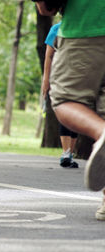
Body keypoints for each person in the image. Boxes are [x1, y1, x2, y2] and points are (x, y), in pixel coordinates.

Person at [34, 0, 105, 220]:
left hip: (85, 29)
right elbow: (48, 51)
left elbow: (47, 7)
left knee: (64, 100)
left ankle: (102, 132)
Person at [42, 22, 78, 168]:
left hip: (80, 76)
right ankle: (66, 152)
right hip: (60, 76)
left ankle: (69, 153)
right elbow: (49, 56)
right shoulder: (56, 28)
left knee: (76, 114)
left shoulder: (81, 25)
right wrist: (46, 79)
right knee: (65, 111)